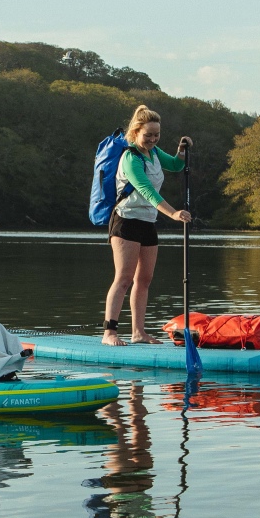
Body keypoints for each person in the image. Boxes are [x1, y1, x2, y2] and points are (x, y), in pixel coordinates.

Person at [102, 105, 192, 346]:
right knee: (123, 278)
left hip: (148, 222)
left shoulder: (154, 153)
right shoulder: (130, 157)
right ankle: (109, 333)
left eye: (156, 135)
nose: (153, 139)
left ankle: (138, 332)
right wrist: (173, 214)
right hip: (126, 221)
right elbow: (147, 191)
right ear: (135, 133)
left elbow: (175, 165)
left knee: (145, 279)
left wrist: (181, 151)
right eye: (148, 135)